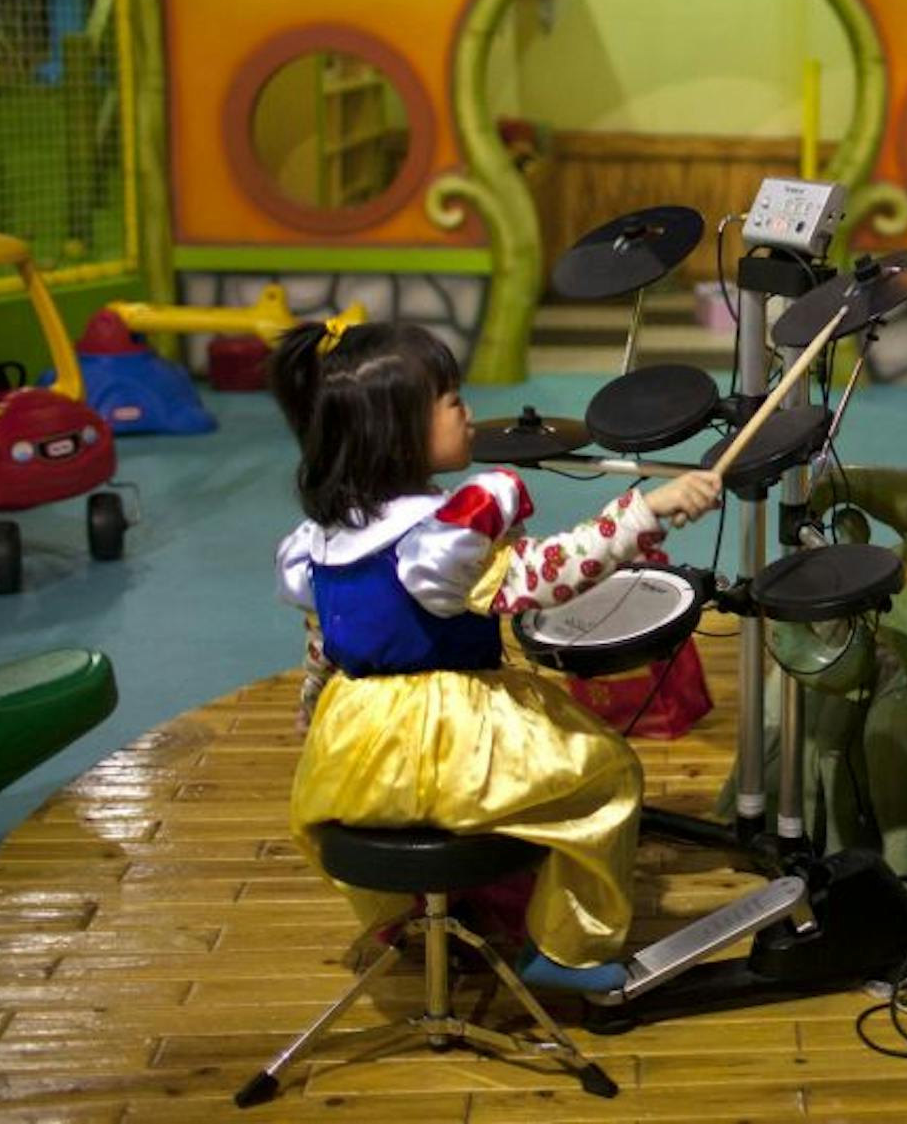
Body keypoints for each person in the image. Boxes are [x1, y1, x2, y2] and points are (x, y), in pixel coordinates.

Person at [270, 316, 722, 994]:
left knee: (510, 792)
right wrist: (646, 510)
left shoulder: (321, 539)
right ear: (399, 428)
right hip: (447, 745)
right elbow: (548, 573)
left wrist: (313, 724)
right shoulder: (440, 537)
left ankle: (417, 921)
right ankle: (565, 951)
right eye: (452, 401)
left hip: (353, 759)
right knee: (604, 779)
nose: (470, 413)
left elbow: (321, 651)